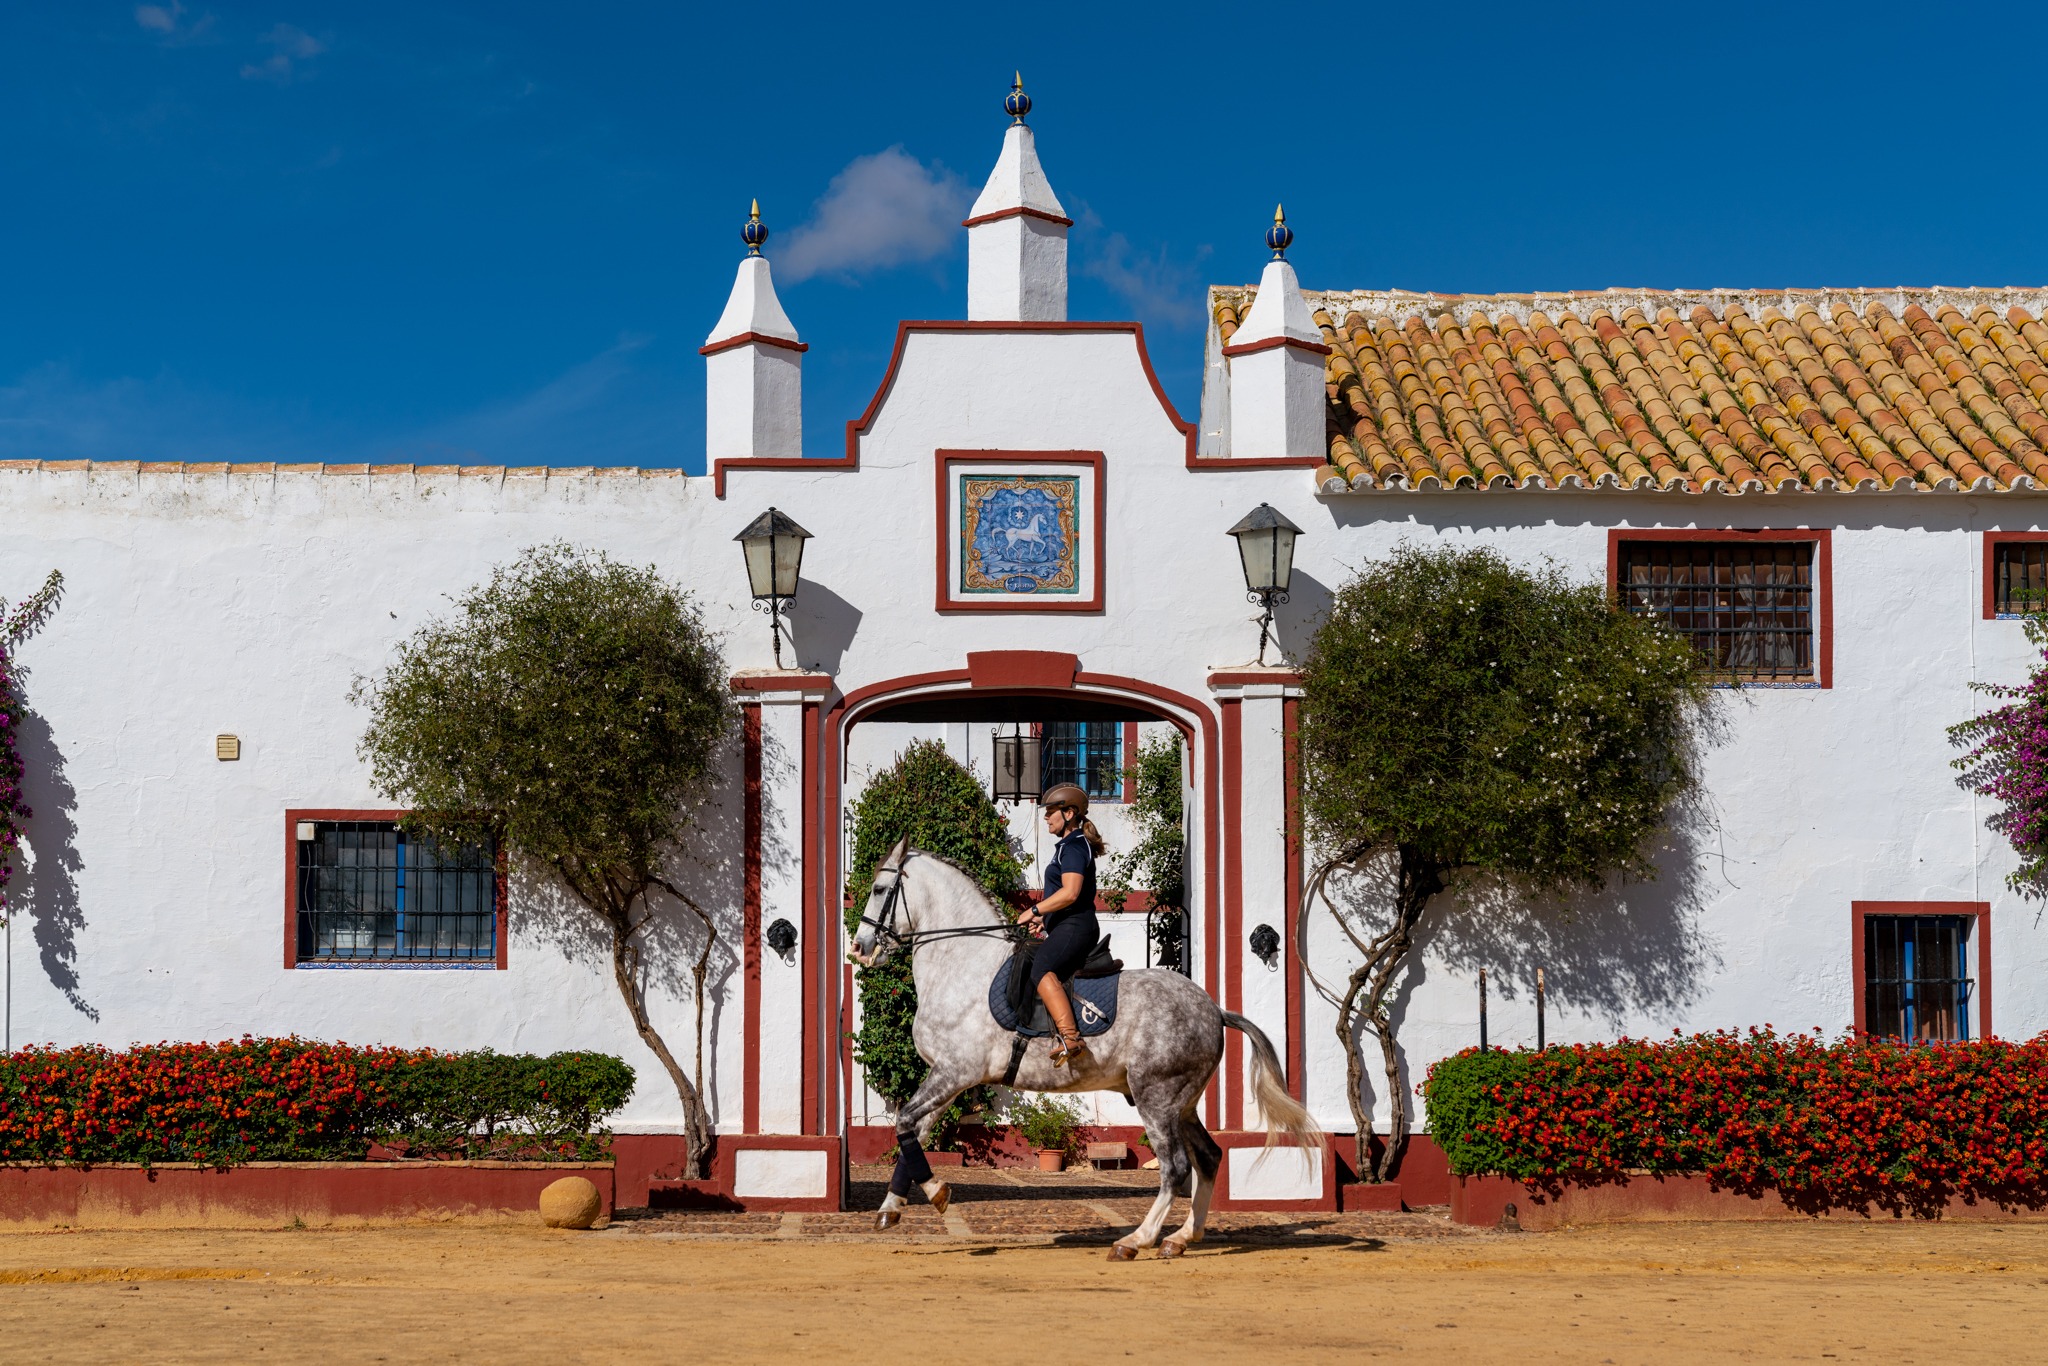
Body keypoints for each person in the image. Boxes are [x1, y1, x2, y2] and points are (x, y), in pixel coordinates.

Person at [1016, 782, 1106, 1067]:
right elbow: (1065, 898)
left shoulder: (1074, 846)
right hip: (1068, 924)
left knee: (1041, 968)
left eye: (1050, 812)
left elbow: (1071, 893)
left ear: (1069, 813)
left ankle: (1070, 1037)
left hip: (1077, 926)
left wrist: (1034, 909)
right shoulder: (1067, 846)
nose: (1046, 818)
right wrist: (1045, 919)